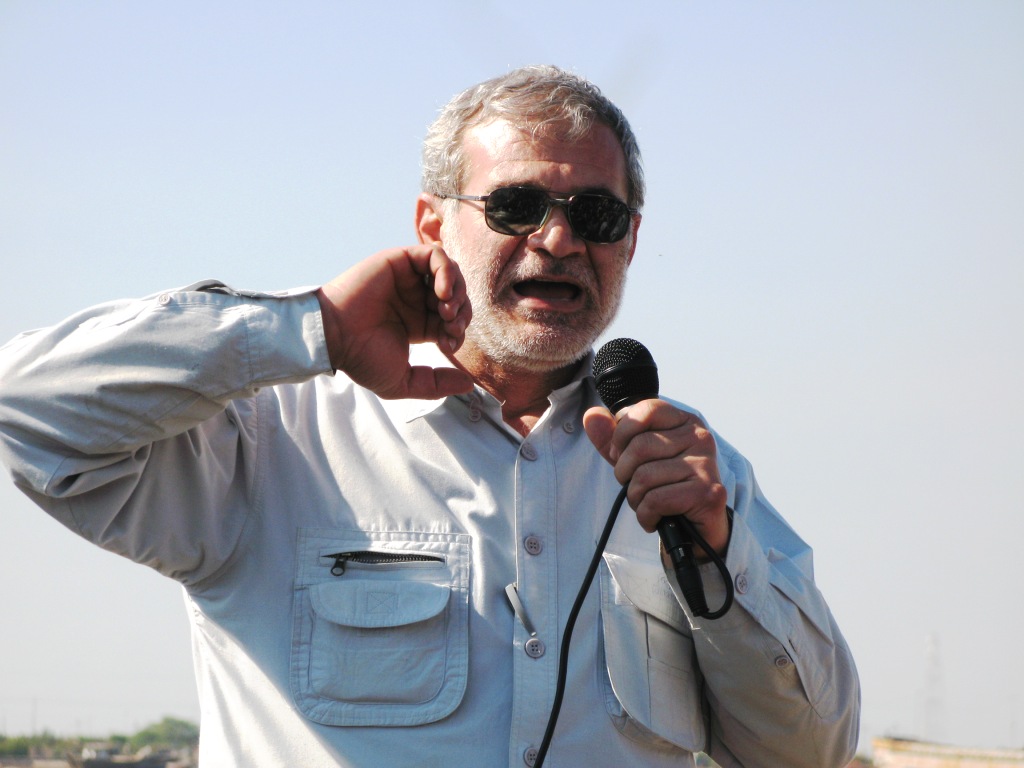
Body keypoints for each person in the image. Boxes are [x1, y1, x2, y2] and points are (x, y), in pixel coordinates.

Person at [0, 65, 859, 767]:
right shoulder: (272, 437)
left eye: (595, 215)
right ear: (431, 225)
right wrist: (311, 328)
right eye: (517, 206)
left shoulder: (688, 472)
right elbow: (25, 406)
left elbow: (809, 751)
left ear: (630, 240)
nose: (559, 241)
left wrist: (719, 549)